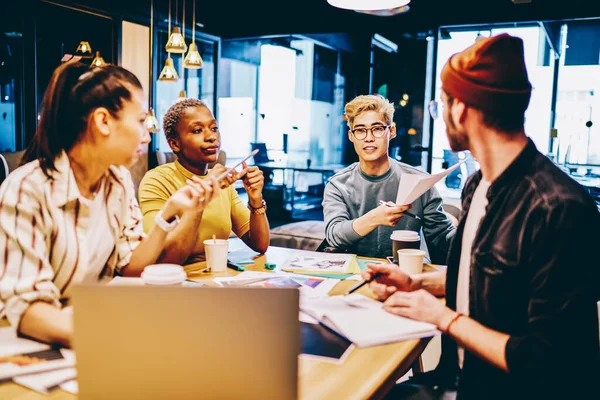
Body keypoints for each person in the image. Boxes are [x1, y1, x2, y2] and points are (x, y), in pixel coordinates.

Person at [363, 34, 600, 399]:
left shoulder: (558, 209)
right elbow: (490, 282)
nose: (440, 115)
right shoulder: (477, 185)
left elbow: (549, 360)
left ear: (460, 109)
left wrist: (442, 317)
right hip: (458, 378)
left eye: (440, 104)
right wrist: (417, 283)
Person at [0, 62, 206, 347]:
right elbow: (29, 312)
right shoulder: (27, 189)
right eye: (139, 122)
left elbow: (132, 266)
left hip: (91, 325)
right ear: (103, 122)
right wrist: (115, 336)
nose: (147, 135)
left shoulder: (117, 180)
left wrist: (169, 212)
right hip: (39, 341)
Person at [322, 94, 455, 263]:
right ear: (351, 136)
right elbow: (334, 235)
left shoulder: (419, 182)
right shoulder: (338, 185)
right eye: (361, 130)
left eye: (377, 128)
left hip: (407, 274)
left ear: (391, 131)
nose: (369, 137)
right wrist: (375, 218)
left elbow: (442, 237)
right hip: (353, 275)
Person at [138, 99, 270, 268]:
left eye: (214, 128)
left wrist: (255, 198)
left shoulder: (223, 184)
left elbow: (260, 245)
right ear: (175, 143)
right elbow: (162, 258)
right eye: (198, 130)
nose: (211, 137)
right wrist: (202, 195)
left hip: (218, 278)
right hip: (175, 282)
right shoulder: (156, 180)